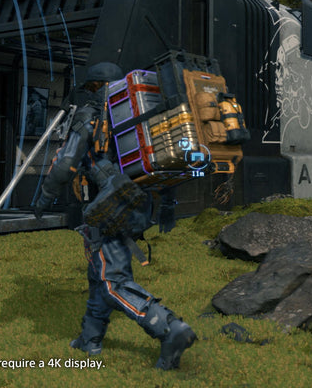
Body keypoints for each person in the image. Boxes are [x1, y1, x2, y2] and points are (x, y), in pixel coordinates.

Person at [33, 61, 196, 370]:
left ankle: (170, 329)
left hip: (108, 209)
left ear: (95, 86)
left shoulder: (90, 116)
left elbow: (66, 164)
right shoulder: (135, 117)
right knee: (100, 274)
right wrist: (168, 205)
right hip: (136, 204)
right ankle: (90, 339)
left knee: (113, 282)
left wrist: (43, 198)